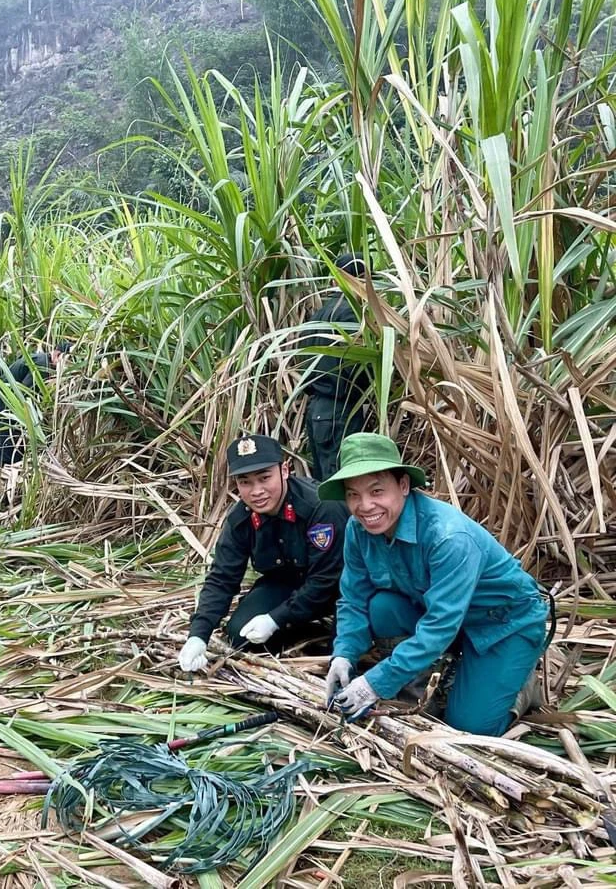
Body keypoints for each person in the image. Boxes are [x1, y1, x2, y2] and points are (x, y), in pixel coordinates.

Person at [320, 433, 549, 736]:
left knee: (470, 728)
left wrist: (374, 683)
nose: (365, 506)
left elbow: (440, 626)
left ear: (403, 486)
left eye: (377, 491)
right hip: (440, 616)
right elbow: (353, 598)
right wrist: (344, 653)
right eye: (353, 495)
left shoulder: (448, 537)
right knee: (382, 606)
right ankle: (420, 690)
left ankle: (522, 687)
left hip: (502, 625)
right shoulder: (358, 529)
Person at [177, 434, 349, 672]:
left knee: (340, 654)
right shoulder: (241, 518)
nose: (256, 491)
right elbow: (222, 578)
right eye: (245, 482)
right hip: (287, 585)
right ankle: (306, 633)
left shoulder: (320, 507)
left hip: (339, 589)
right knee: (240, 635)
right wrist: (198, 635)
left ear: (285, 470)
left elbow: (326, 580)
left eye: (265, 477)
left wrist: (275, 619)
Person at [302, 252, 370, 480]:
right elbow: (358, 367)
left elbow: (302, 364)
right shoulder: (351, 315)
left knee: (324, 481)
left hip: (316, 410)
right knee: (343, 481)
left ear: (334, 280)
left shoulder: (316, 317)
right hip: (340, 411)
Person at [0, 342, 70, 464]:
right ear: (57, 354)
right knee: (9, 453)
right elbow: (24, 394)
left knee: (1, 451)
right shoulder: (42, 366)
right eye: (66, 361)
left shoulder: (42, 360)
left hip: (1, 403)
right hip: (5, 407)